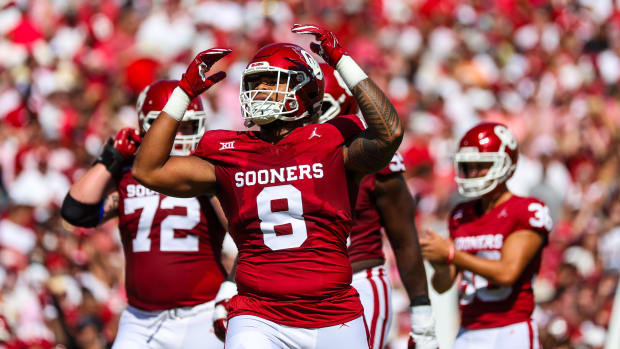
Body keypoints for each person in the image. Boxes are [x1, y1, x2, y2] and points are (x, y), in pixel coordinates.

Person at [132, 24, 403, 349]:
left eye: (271, 83)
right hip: (258, 315)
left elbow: (390, 133)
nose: (259, 92)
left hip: (334, 311)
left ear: (307, 89)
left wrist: (342, 60)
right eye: (253, 84)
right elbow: (148, 170)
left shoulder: (332, 140)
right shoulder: (229, 151)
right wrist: (183, 93)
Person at [60, 80, 229, 349]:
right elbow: (77, 211)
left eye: (187, 126)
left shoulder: (207, 171)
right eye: (173, 126)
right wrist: (110, 158)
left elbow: (243, 232)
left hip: (201, 313)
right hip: (141, 318)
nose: (180, 135)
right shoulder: (129, 174)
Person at [320, 63, 437, 349]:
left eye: (316, 104)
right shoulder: (288, 153)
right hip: (304, 288)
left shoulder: (369, 154)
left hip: (358, 283)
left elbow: (405, 238)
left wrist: (422, 313)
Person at [420, 122, 552, 349]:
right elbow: (443, 285)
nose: (472, 173)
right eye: (468, 166)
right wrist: (440, 262)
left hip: (511, 329)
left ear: (505, 163)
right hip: (469, 328)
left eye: (481, 165)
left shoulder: (525, 210)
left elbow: (507, 272)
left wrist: (451, 254)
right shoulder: (461, 214)